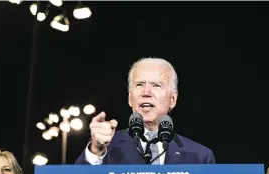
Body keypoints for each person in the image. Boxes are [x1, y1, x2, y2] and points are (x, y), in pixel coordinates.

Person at [75, 57, 215, 165]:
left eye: (156, 85)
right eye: (140, 84)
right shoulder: (106, 148)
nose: (146, 92)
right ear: (130, 98)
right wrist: (96, 152)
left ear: (172, 99)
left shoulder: (200, 157)